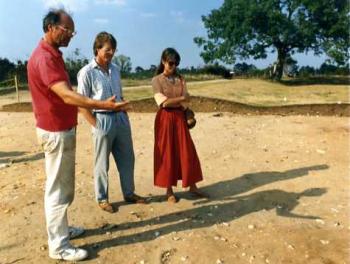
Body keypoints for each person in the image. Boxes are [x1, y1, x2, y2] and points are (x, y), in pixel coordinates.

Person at [27, 10, 129, 261]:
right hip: (55, 131)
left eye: (73, 32)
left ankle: (61, 231)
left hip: (60, 128)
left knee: (63, 188)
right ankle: (59, 246)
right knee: (57, 191)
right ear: (52, 27)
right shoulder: (45, 58)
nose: (71, 36)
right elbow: (67, 95)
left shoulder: (53, 55)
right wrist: (104, 106)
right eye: (68, 31)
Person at [77, 32, 145, 213]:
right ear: (97, 48)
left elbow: (119, 94)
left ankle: (129, 193)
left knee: (127, 158)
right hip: (102, 119)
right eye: (107, 49)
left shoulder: (115, 69)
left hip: (121, 119)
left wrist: (123, 111)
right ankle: (102, 198)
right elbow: (81, 103)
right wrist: (96, 124)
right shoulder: (86, 72)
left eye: (113, 49)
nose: (111, 52)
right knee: (101, 163)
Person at [151, 47, 208, 203]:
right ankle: (168, 190)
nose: (173, 66)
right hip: (165, 119)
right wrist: (183, 98)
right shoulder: (156, 80)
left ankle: (193, 185)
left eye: (176, 63)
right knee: (167, 152)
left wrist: (186, 110)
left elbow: (185, 102)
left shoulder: (181, 79)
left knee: (187, 151)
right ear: (163, 62)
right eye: (170, 63)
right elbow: (163, 103)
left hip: (179, 117)